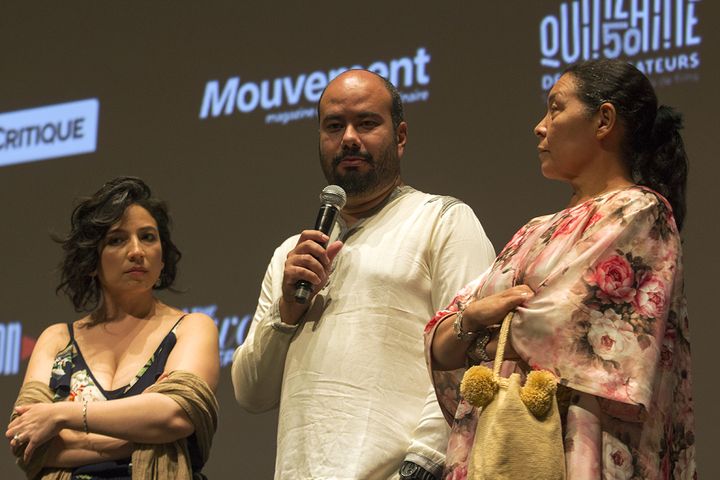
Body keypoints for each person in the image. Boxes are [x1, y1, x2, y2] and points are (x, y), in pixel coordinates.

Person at [425, 58, 695, 479]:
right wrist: (473, 318)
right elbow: (439, 336)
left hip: (581, 449)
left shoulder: (638, 211)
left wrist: (472, 329)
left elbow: (562, 328)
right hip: (502, 449)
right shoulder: (533, 230)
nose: (540, 125)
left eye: (556, 108)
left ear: (604, 120)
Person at [231, 69, 496, 479]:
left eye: (367, 123)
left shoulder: (442, 219)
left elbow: (477, 352)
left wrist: (422, 464)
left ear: (401, 136)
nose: (349, 138)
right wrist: (286, 311)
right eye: (334, 126)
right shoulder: (294, 253)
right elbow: (251, 391)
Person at [6, 177, 220, 479]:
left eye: (147, 237)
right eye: (117, 240)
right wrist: (146, 433)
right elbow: (27, 442)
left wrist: (61, 415)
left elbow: (176, 416)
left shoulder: (191, 328)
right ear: (92, 260)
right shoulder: (56, 340)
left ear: (162, 257)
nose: (136, 251)